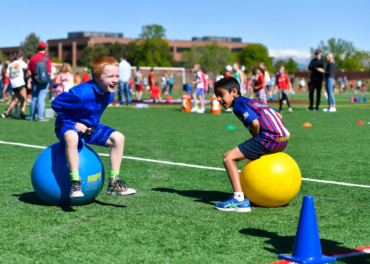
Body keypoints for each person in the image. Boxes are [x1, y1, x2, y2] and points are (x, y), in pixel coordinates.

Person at [51, 56, 136, 198]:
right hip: (67, 126)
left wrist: (92, 126)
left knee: (119, 138)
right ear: (96, 77)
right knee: (72, 137)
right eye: (110, 76)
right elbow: (56, 103)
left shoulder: (110, 93)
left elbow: (94, 112)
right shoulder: (81, 93)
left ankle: (114, 183)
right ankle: (75, 183)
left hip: (90, 129)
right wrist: (73, 124)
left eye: (117, 76)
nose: (115, 80)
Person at [213, 77, 289, 212]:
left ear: (234, 92)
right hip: (283, 139)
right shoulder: (253, 100)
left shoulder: (238, 104)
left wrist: (256, 137)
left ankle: (239, 200)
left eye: (221, 95)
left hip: (269, 139)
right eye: (217, 96)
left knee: (228, 157)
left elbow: (254, 122)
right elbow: (278, 115)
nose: (218, 99)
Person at [28, 41, 51, 121]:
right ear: (45, 48)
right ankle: (40, 117)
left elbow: (29, 72)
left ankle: (31, 117)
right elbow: (49, 72)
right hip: (44, 81)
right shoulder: (47, 58)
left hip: (35, 81)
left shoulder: (32, 58)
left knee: (34, 99)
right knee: (41, 98)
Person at [1, 54, 29, 119]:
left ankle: (6, 113)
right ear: (20, 57)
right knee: (24, 99)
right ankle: (22, 114)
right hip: (20, 83)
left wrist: (13, 77)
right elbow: (28, 67)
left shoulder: (10, 65)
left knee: (15, 100)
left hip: (14, 84)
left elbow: (7, 75)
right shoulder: (20, 62)